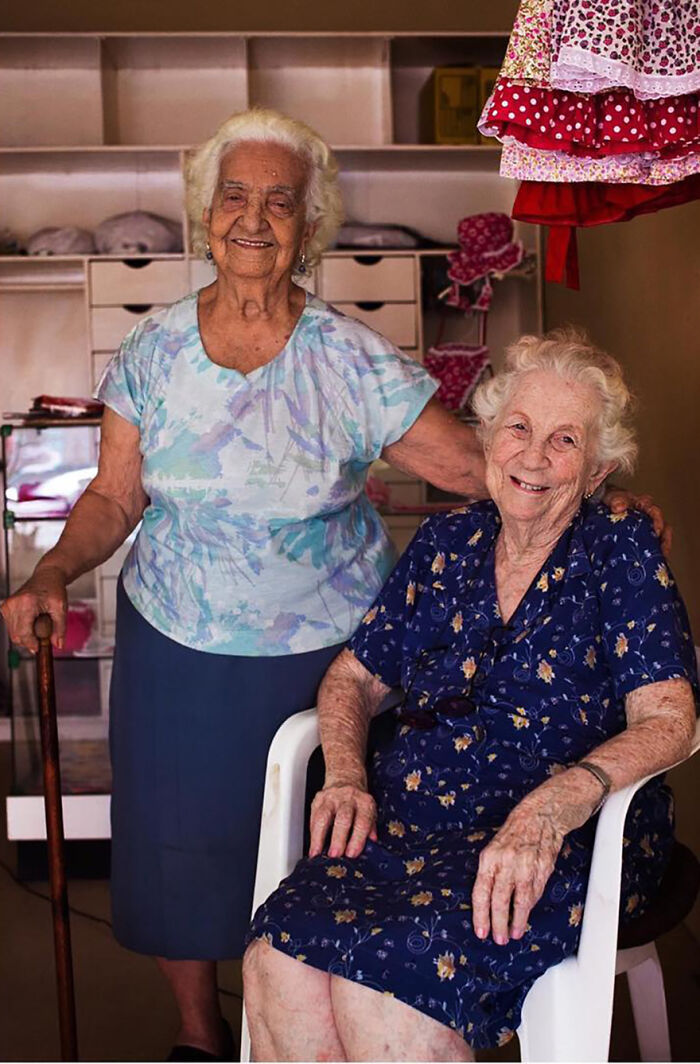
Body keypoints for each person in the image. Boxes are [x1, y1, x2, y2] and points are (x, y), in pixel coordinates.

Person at [0, 109, 665, 1059]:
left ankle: (328, 1009)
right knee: (180, 850)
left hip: (327, 650)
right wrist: (55, 569)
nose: (255, 218)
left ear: (309, 226)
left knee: (333, 844)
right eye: (235, 196)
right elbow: (113, 495)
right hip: (176, 637)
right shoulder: (151, 351)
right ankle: (200, 1033)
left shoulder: (346, 355)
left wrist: (605, 494)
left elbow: (477, 464)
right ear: (206, 213)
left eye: (281, 201)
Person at [243, 329, 697, 1063]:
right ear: (487, 439)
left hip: (558, 837)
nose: (534, 456)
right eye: (518, 428)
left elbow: (671, 720)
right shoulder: (446, 543)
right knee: (278, 957)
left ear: (597, 471)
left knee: (381, 987)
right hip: (408, 827)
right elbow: (353, 677)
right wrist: (349, 774)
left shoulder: (621, 550)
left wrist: (550, 809)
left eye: (565, 440)